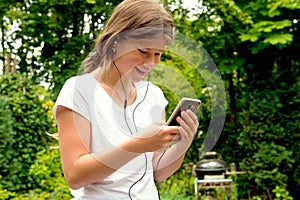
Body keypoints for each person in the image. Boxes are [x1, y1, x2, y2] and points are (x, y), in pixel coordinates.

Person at [53, 0, 199, 199]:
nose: (152, 62)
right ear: (115, 41)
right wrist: (138, 144)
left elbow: (157, 171)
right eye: (143, 51)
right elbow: (75, 175)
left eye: (158, 54)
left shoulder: (153, 95)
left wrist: (182, 144)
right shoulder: (79, 90)